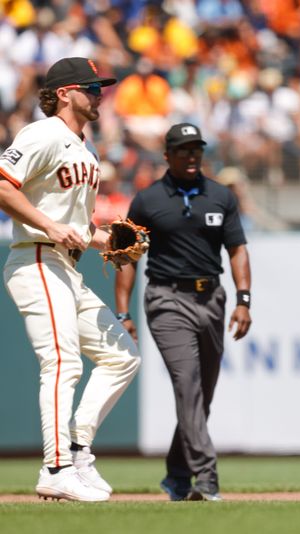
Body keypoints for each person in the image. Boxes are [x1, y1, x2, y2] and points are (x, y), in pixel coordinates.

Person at [0, 57, 142, 502]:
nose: (99, 94)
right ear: (64, 93)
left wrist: (107, 242)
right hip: (36, 258)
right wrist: (48, 225)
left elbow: (76, 227)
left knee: (123, 356)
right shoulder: (42, 134)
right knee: (62, 362)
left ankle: (77, 450)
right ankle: (56, 467)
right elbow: (3, 184)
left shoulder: (87, 149)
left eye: (101, 88)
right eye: (91, 87)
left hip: (67, 263)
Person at [114, 123, 252, 502]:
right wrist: (123, 311)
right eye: (183, 150)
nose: (191, 156)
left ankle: (176, 474)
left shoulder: (221, 196)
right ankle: (205, 478)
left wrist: (243, 300)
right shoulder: (147, 200)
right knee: (187, 385)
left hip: (212, 298)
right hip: (166, 299)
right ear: (167, 156)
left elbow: (237, 249)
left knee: (201, 395)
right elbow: (127, 256)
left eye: (196, 149)